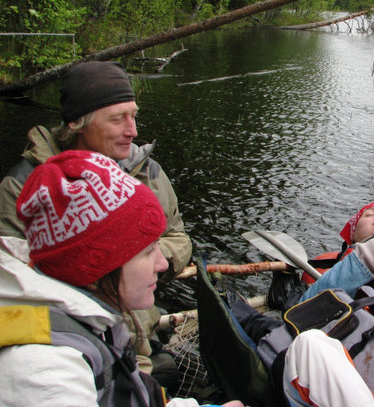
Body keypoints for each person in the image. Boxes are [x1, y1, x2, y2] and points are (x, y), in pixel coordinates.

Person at [0, 150, 238, 407]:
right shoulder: (47, 378)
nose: (161, 263)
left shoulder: (89, 317)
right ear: (94, 265)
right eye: (147, 251)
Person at [0, 60, 192, 377]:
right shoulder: (24, 189)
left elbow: (179, 238)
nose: (133, 131)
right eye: (118, 119)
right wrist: (120, 260)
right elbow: (21, 285)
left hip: (140, 337)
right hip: (79, 349)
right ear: (77, 123)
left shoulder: (148, 171)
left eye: (134, 116)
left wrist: (141, 257)